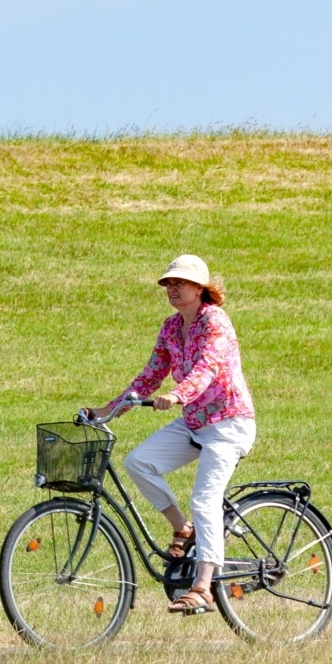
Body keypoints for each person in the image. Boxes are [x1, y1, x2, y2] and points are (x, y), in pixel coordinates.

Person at [87, 254, 256, 616]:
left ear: (200, 288)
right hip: (194, 422)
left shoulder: (215, 322)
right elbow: (149, 375)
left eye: (180, 282)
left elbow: (207, 368)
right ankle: (183, 529)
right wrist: (107, 410)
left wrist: (178, 395)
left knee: (204, 499)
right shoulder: (171, 327)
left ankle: (203, 588)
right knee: (139, 462)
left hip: (228, 424)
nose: (172, 288)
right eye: (168, 283)